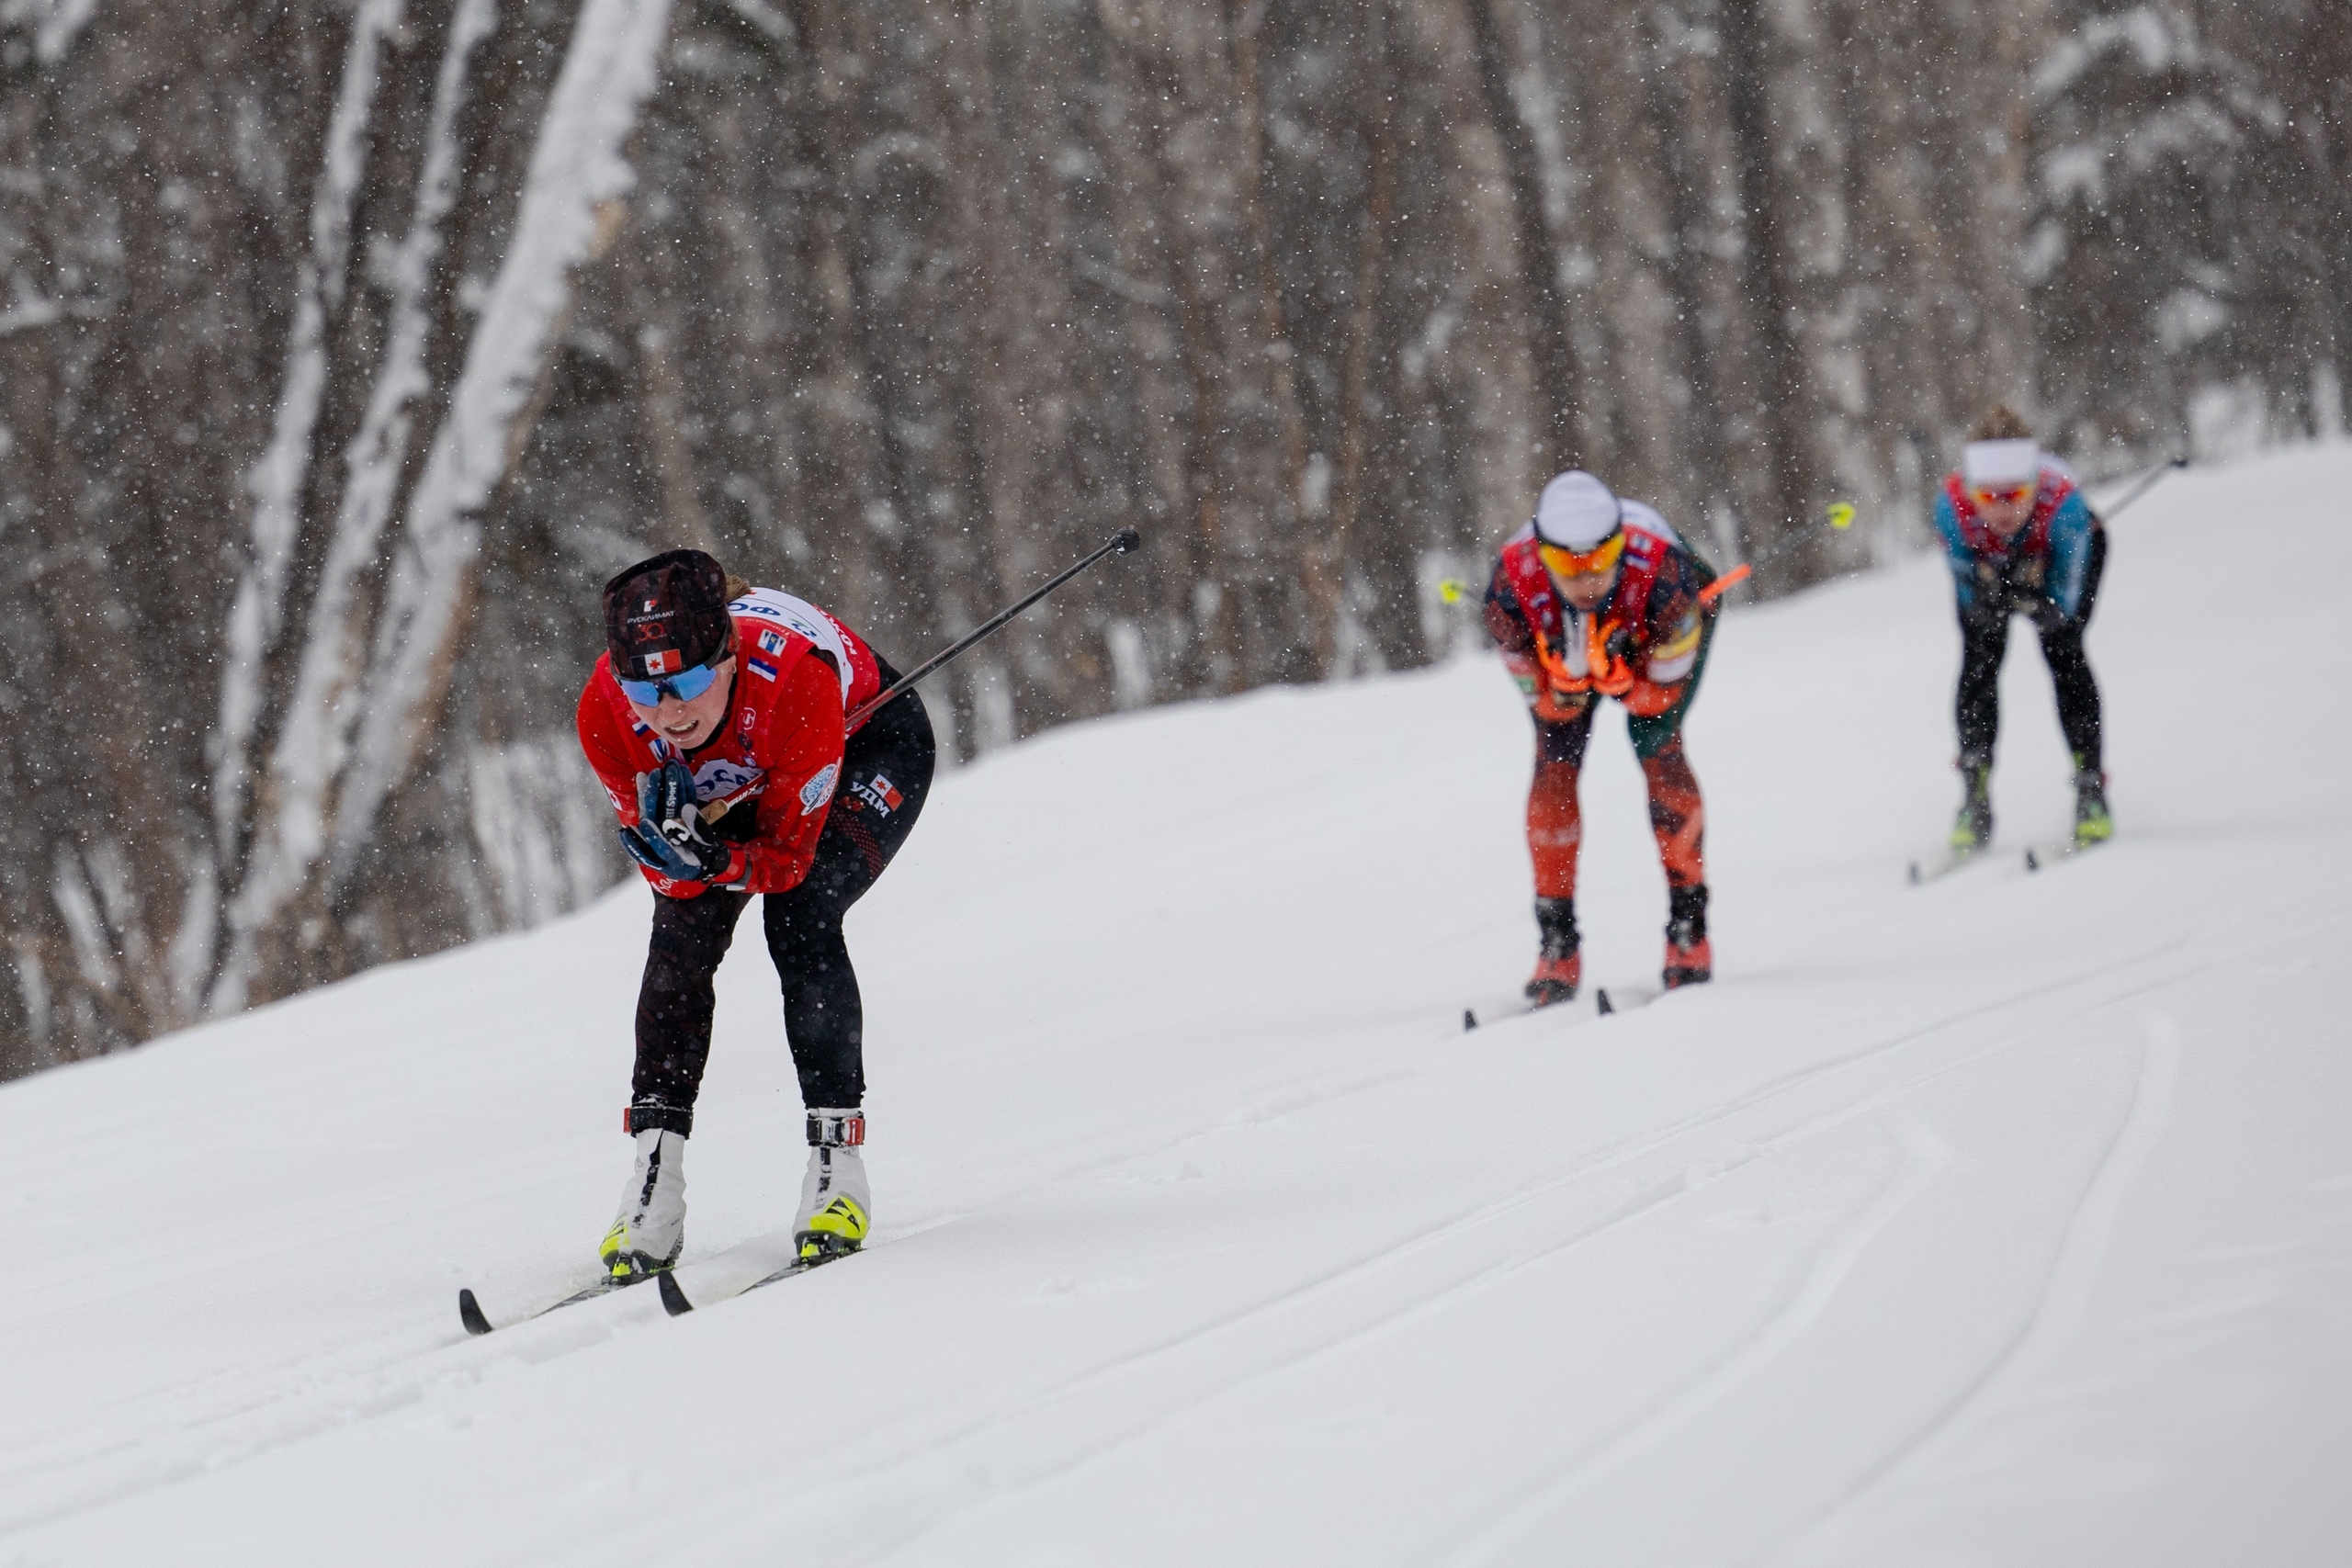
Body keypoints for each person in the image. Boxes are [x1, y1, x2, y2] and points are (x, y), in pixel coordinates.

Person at [575, 549, 934, 1280]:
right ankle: (655, 1176)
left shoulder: (793, 683)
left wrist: (719, 861)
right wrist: (687, 865)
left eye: (687, 683)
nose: (668, 710)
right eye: (645, 690)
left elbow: (789, 863)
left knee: (799, 916)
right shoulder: (607, 716)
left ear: (729, 657)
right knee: (682, 935)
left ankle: (837, 1168)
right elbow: (674, 885)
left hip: (866, 743)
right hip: (747, 771)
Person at [1484, 470, 1720, 1004]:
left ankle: (1689, 929)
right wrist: (1560, 696)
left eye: (1601, 556)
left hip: (1655, 633)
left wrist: (1629, 687)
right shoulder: (1509, 592)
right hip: (1567, 642)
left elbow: (1662, 694)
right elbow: (1535, 693)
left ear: (1621, 545)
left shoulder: (1669, 582)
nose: (1586, 577)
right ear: (1542, 555)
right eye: (1567, 564)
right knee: (1554, 761)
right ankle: (1557, 941)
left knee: (1658, 746)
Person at [1931, 406, 2110, 852]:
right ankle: (1974, 797)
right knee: (1979, 665)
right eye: (1990, 498)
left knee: (2065, 655)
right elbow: (1970, 597)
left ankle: (2091, 789)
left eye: (2018, 494)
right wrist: (1990, 592)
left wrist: (2041, 600)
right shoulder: (1951, 510)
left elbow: (2065, 601)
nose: (2005, 509)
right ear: (1971, 492)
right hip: (1989, 567)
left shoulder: (2063, 508)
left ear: (2036, 485)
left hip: (2063, 558)